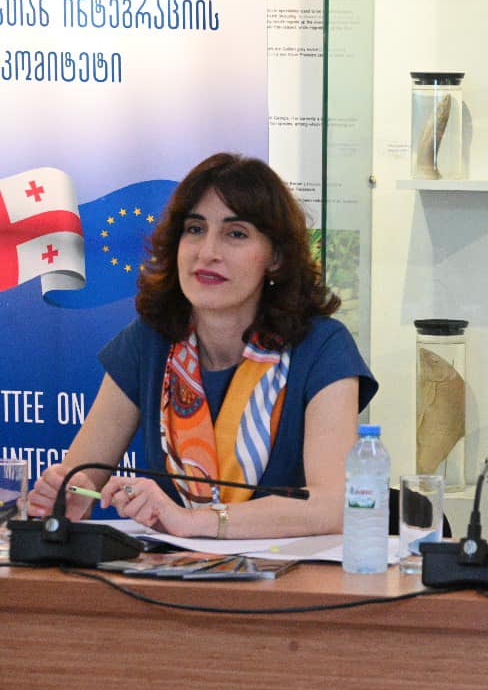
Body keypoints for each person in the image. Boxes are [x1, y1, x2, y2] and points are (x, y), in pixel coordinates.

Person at [27, 153, 377, 538]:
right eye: (195, 229)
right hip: (168, 573)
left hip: (289, 574)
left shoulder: (322, 347)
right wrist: (68, 494)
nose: (207, 252)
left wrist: (195, 521)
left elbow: (333, 507)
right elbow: (80, 477)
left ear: (276, 258)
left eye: (236, 233)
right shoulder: (149, 341)